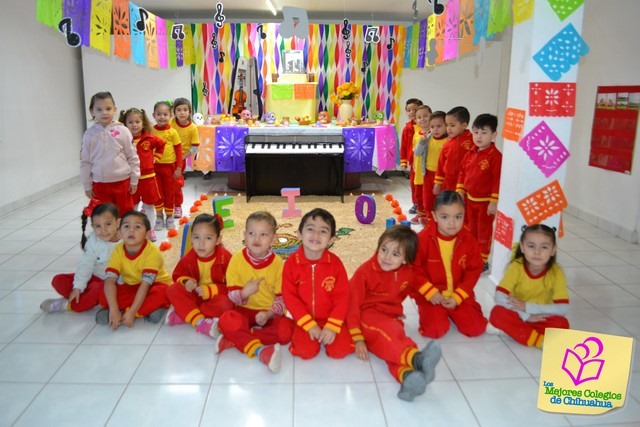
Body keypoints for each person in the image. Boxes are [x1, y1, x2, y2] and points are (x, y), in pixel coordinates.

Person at [348, 225, 442, 401]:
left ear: (406, 260)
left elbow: (415, 284)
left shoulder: (408, 272)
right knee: (388, 336)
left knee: (393, 341)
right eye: (383, 249)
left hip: (391, 316)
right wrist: (357, 338)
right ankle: (417, 359)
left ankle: (407, 378)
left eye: (395, 254)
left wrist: (431, 293)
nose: (386, 257)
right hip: (365, 315)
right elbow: (351, 305)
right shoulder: (364, 273)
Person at [216, 211, 295, 373]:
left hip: (268, 315)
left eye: (263, 234)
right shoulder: (237, 259)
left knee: (287, 331)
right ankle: (260, 350)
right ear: (245, 235)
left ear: (274, 239)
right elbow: (232, 295)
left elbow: (282, 299)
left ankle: (235, 339)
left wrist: (268, 314)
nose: (256, 239)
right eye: (251, 233)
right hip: (243, 312)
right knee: (226, 320)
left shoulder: (279, 264)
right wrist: (245, 292)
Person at [414, 190, 488, 338]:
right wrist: (429, 292)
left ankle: (457, 309)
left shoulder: (468, 240)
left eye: (458, 217)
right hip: (432, 295)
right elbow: (412, 269)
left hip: (458, 293)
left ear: (464, 215)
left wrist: (458, 296)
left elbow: (474, 270)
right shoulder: (422, 240)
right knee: (435, 331)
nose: (452, 223)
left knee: (476, 328)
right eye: (445, 217)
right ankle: (437, 313)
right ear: (434, 216)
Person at [282, 208, 353, 360]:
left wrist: (333, 325)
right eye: (310, 229)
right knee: (304, 352)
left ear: (332, 239)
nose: (316, 235)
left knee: (340, 350)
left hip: (331, 317)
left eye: (323, 231)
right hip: (304, 319)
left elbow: (343, 297)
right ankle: (299, 331)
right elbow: (290, 297)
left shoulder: (336, 264)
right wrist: (308, 324)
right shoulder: (291, 264)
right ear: (299, 234)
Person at [489, 224, 569, 348]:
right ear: (522, 247)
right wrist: (526, 315)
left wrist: (528, 307)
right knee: (497, 313)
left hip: (541, 316)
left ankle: (518, 331)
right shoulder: (517, 266)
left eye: (544, 247)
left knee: (562, 324)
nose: (537, 252)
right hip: (518, 314)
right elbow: (499, 296)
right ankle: (538, 340)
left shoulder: (556, 273)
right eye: (531, 246)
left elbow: (563, 308)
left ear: (553, 250)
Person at [40, 201, 121, 313]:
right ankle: (85, 297)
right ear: (92, 226)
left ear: (118, 223)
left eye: (108, 224)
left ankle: (67, 305)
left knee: (99, 289)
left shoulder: (126, 240)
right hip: (93, 278)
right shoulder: (93, 240)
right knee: (58, 280)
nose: (103, 230)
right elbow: (86, 264)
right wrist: (77, 287)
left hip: (111, 284)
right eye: (98, 226)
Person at [96, 210, 171, 329]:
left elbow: (145, 285)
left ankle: (129, 312)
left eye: (137, 227)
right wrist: (114, 309)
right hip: (133, 287)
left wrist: (131, 312)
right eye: (126, 226)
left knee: (163, 293)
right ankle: (144, 311)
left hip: (154, 286)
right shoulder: (118, 250)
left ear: (147, 234)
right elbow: (110, 280)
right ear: (119, 232)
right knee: (103, 294)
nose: (131, 230)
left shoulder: (152, 252)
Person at [165, 213, 234, 338]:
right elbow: (177, 276)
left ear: (218, 240)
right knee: (172, 289)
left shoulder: (226, 258)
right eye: (197, 238)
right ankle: (200, 322)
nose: (201, 244)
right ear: (191, 238)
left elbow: (233, 286)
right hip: (195, 296)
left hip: (215, 299)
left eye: (208, 238)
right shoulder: (189, 258)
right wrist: (186, 282)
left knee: (227, 303)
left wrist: (210, 290)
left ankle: (185, 313)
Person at [80, 91, 140, 216]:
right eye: (99, 109)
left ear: (114, 110)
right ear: (92, 111)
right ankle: (107, 236)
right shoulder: (89, 134)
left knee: (125, 215)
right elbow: (85, 162)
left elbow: (132, 157)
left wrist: (134, 180)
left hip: (122, 182)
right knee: (105, 217)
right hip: (100, 184)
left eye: (108, 108)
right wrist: (87, 185)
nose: (104, 112)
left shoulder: (123, 131)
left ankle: (124, 235)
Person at [456, 114, 502, 269]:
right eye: (476, 132)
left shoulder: (496, 157)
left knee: (483, 233)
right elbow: (462, 172)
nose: (479, 136)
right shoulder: (470, 152)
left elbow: (497, 181)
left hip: (485, 204)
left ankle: (482, 261)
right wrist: (460, 191)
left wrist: (493, 202)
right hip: (469, 200)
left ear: (494, 134)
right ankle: (470, 254)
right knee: (469, 229)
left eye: (484, 132)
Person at [120, 108, 165, 242]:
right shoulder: (123, 139)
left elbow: (162, 144)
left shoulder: (149, 138)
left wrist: (157, 156)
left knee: (149, 206)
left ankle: (149, 230)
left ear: (143, 123)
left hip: (148, 179)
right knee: (132, 207)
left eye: (137, 121)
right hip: (131, 180)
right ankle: (131, 230)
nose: (134, 125)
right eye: (130, 122)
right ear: (125, 124)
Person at [151, 100, 182, 230]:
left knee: (170, 192)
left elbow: (178, 150)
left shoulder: (173, 132)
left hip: (170, 168)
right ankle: (159, 216)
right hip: (154, 168)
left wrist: (179, 167)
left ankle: (169, 216)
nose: (162, 117)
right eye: (159, 114)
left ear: (170, 116)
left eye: (165, 114)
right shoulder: (151, 131)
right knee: (157, 193)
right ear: (154, 115)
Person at [415, 111, 447, 222]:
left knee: (440, 199)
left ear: (446, 126)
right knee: (428, 199)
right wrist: (422, 141)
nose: (435, 129)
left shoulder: (448, 141)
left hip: (442, 176)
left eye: (439, 126)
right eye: (432, 127)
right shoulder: (428, 138)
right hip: (428, 173)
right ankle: (428, 218)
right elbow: (417, 153)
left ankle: (439, 219)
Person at [170, 98, 200, 219]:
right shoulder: (171, 123)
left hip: (179, 161)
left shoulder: (192, 128)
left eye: (185, 110)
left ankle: (177, 205)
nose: (182, 113)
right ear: (174, 112)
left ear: (189, 112)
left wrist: (182, 157)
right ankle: (167, 205)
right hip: (167, 159)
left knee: (176, 183)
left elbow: (195, 147)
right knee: (166, 183)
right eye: (179, 110)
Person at [433, 106, 473, 193]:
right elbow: (441, 163)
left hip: (465, 182)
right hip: (448, 181)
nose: (448, 128)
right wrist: (438, 183)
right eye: (447, 125)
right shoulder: (447, 143)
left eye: (452, 125)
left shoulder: (472, 141)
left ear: (464, 125)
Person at [399, 98, 423, 214]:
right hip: (414, 161)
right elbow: (404, 146)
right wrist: (403, 161)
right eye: (409, 110)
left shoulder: (426, 127)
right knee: (414, 182)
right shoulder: (407, 129)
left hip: (425, 160)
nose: (411, 112)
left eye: (415, 109)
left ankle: (425, 203)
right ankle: (416, 203)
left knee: (425, 183)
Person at [409, 105, 432, 224]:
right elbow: (414, 151)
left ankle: (429, 215)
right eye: (419, 117)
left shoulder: (433, 133)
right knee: (418, 192)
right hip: (417, 168)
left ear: (431, 116)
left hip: (428, 169)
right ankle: (421, 213)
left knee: (427, 193)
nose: (422, 119)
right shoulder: (417, 133)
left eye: (425, 116)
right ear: (416, 120)